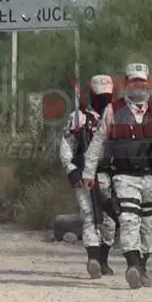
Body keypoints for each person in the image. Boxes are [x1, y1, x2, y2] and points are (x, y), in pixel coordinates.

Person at [82, 63, 152, 289]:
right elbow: (98, 143)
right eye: (134, 81)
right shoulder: (113, 110)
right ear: (126, 83)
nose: (138, 86)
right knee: (128, 218)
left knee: (147, 224)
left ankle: (142, 266)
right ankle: (132, 264)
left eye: (142, 81)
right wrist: (88, 171)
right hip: (124, 176)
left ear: (148, 83)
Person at [60, 74, 118, 279]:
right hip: (84, 175)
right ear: (92, 94)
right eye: (100, 96)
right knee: (89, 216)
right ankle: (93, 259)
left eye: (107, 96)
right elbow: (67, 145)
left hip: (110, 176)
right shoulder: (78, 118)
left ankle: (103, 259)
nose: (104, 100)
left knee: (110, 221)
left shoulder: (118, 115)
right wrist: (71, 169)